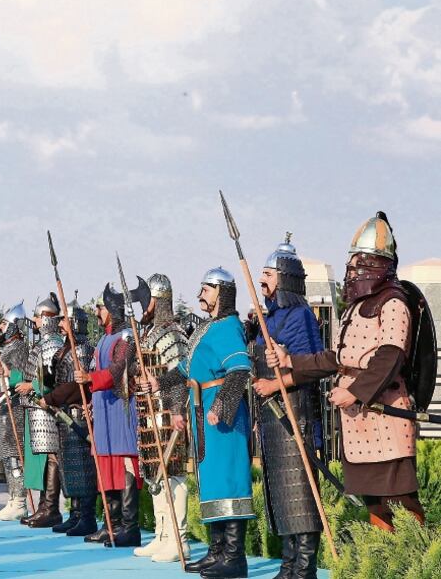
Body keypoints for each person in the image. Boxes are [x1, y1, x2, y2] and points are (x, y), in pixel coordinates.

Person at [266, 212, 426, 532]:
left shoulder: (394, 302)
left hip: (387, 414)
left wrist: (354, 391)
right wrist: (290, 361)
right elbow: (336, 358)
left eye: (359, 261)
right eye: (351, 261)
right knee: (374, 501)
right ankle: (383, 551)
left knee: (401, 498)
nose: (352, 269)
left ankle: (418, 551)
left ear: (377, 264)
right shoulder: (354, 308)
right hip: (359, 421)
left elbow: (391, 355)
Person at [158, 267, 254, 579]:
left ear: (222, 292)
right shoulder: (207, 329)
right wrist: (166, 394)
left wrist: (222, 406)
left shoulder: (228, 327)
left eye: (207, 289)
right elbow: (182, 372)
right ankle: (216, 552)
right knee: (211, 481)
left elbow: (239, 369)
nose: (200, 294)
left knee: (229, 480)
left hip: (223, 416)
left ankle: (235, 557)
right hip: (202, 411)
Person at [250, 236, 324, 579]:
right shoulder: (271, 318)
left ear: (285, 278)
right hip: (272, 417)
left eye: (268, 274)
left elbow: (310, 366)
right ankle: (289, 562)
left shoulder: (301, 316)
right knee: (280, 492)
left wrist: (274, 384)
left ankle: (304, 566)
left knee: (302, 493)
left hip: (296, 413)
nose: (261, 280)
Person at [132, 274, 191, 563]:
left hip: (168, 413)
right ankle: (163, 535)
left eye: (146, 300)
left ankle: (179, 539)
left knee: (173, 474)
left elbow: (179, 376)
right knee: (156, 474)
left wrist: (177, 410)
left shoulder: (172, 334)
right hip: (151, 413)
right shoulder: (150, 333)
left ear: (157, 300)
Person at [82, 284, 142, 547]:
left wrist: (91, 379)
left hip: (121, 408)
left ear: (113, 309)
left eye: (101, 308)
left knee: (124, 463)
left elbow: (119, 369)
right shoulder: (103, 339)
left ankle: (130, 528)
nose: (97, 312)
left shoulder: (125, 336)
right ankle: (112, 525)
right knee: (106, 466)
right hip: (104, 409)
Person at [42, 300, 98, 537]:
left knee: (83, 469)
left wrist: (51, 398)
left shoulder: (82, 350)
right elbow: (56, 378)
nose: (60, 323)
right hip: (65, 416)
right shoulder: (65, 349)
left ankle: (87, 517)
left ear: (75, 322)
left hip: (78, 416)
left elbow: (77, 385)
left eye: (65, 319)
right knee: (70, 468)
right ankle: (75, 514)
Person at [14, 293, 64, 528]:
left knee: (52, 457)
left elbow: (52, 377)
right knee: (46, 458)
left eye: (36, 317)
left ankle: (50, 509)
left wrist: (31, 386)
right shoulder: (44, 343)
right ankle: (45, 506)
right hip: (37, 408)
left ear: (45, 319)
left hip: (47, 408)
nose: (34, 321)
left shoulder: (53, 344)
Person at [0, 302, 29, 521]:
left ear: (14, 325)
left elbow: (19, 381)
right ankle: (12, 499)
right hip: (4, 408)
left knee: (14, 457)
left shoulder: (19, 348)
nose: (0, 327)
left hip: (14, 408)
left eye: (4, 323)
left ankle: (20, 502)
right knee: (7, 457)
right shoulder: (8, 348)